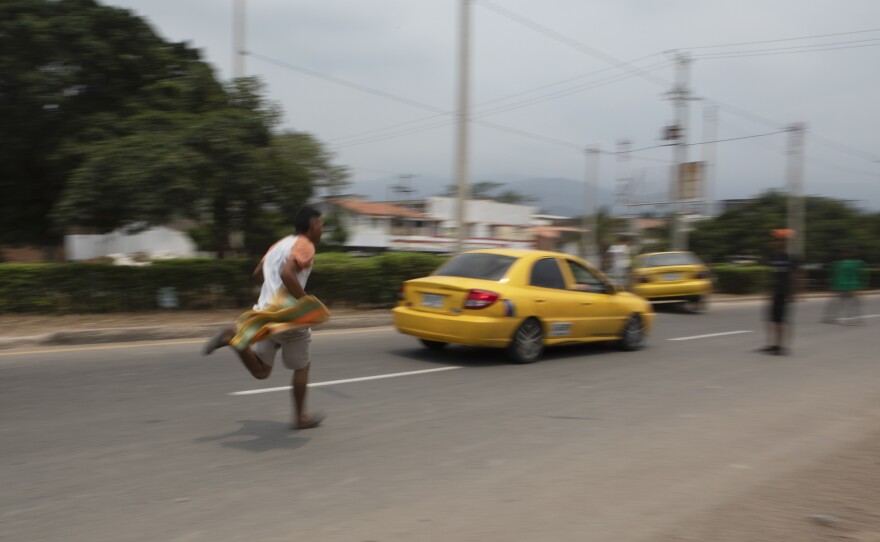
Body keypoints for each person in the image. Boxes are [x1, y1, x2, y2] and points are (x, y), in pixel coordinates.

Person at [203, 206, 327, 430]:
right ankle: (300, 419)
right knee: (303, 366)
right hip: (289, 317)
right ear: (311, 225)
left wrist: (272, 293)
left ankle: (234, 339)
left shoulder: (278, 245)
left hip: (264, 315)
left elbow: (258, 273)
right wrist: (307, 302)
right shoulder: (305, 245)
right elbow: (287, 273)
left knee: (261, 372)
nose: (323, 230)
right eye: (321, 225)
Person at [758, 229, 800, 356]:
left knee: (780, 320)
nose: (773, 243)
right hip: (775, 292)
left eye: (776, 240)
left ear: (783, 242)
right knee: (772, 319)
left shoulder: (789, 257)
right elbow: (772, 276)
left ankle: (781, 346)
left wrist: (794, 292)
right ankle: (774, 344)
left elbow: (795, 275)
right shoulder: (774, 257)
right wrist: (768, 292)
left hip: (783, 292)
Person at [822, 246, 868, 325]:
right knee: (838, 302)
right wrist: (832, 286)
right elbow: (834, 275)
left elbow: (862, 275)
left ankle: (853, 319)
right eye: (843, 253)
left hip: (850, 286)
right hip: (841, 286)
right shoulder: (837, 264)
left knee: (850, 303)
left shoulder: (856, 263)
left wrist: (862, 286)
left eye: (845, 252)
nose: (843, 254)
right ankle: (831, 317)